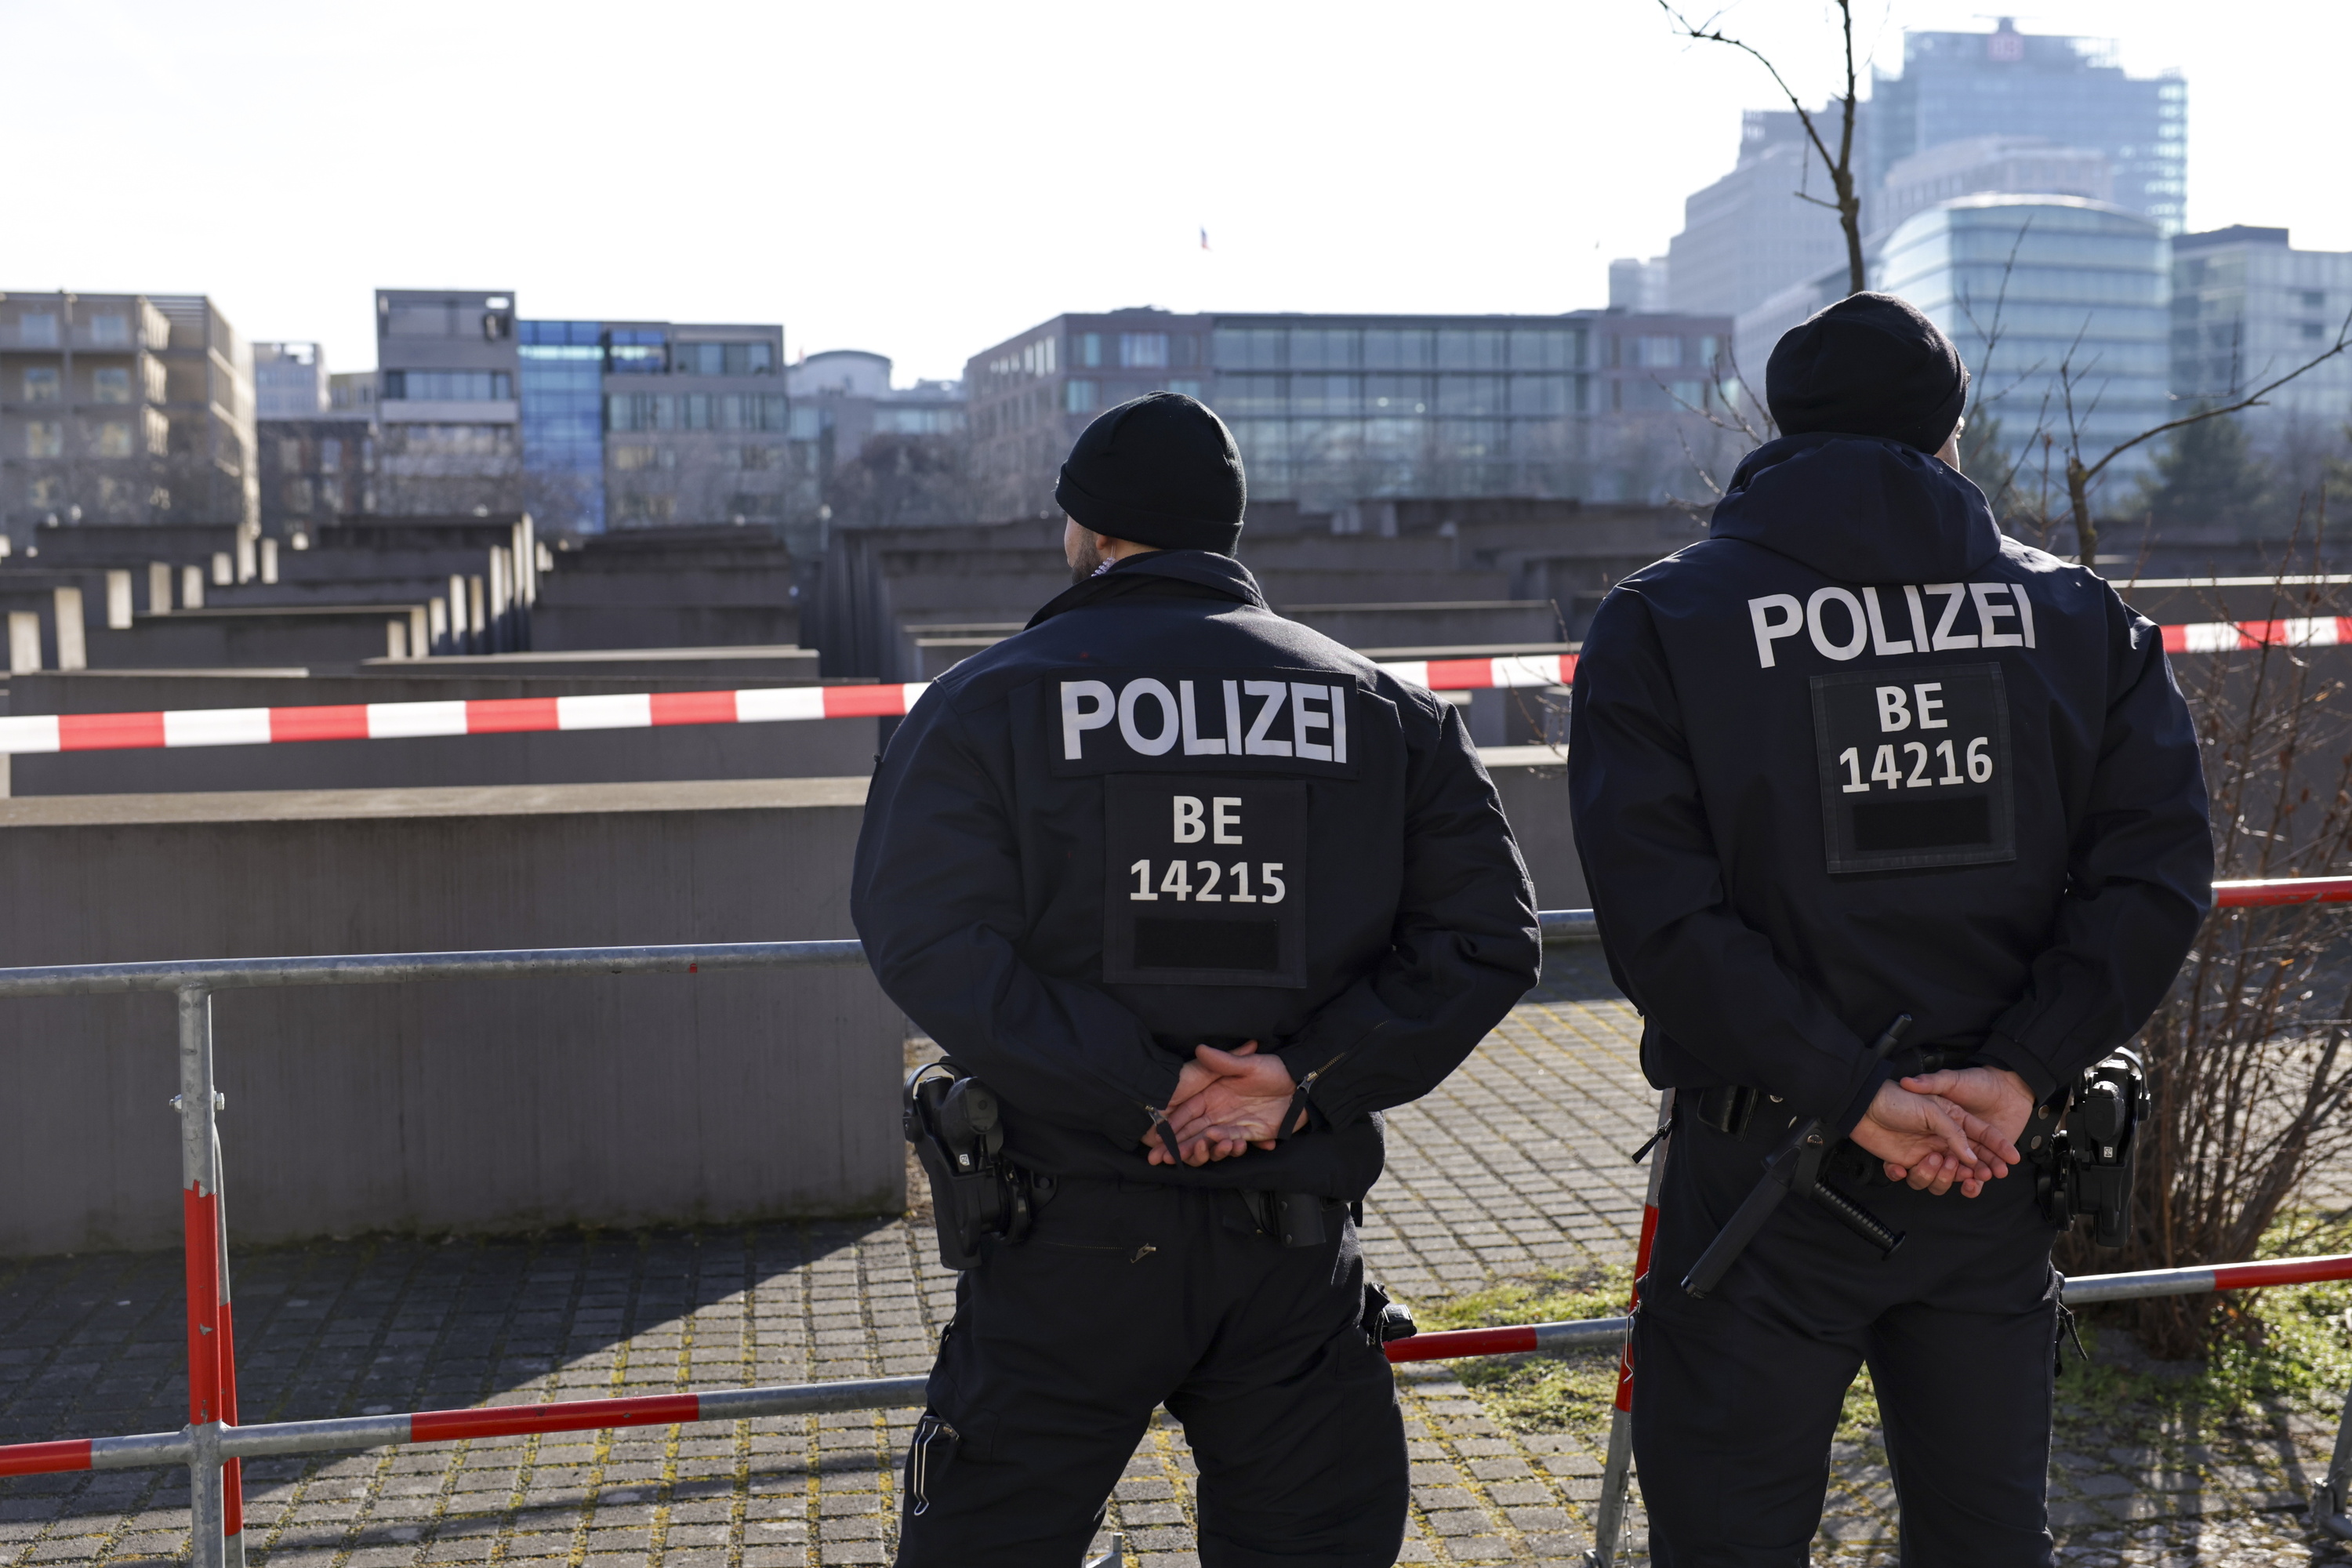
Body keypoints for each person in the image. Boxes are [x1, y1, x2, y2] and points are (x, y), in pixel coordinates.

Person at [1567, 293, 2212, 1566]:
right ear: (1952, 436)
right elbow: (2158, 872)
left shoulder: (1667, 622)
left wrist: (1854, 1092)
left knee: (1729, 1541)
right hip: (1990, 1171)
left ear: (1779, 428)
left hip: (1761, 1185)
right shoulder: (2076, 617)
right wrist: (2022, 1070)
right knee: (1987, 1539)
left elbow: (1661, 924)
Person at [852, 391, 1541, 1567]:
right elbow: (1487, 939)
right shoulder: (1389, 713)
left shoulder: (989, 701)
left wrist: (1145, 1091)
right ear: (1224, 530)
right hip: (1293, 1257)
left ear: (1089, 529)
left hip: (1067, 1243)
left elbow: (924, 935)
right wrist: (1292, 1081)